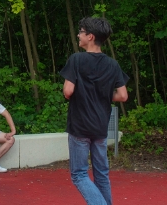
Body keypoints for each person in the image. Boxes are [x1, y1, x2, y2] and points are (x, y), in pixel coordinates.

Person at [60, 17, 129, 205]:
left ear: (90, 36)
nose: (78, 35)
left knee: (79, 174)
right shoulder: (112, 64)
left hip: (80, 125)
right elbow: (123, 96)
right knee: (101, 174)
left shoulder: (76, 59)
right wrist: (104, 95)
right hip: (100, 126)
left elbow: (68, 91)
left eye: (81, 32)